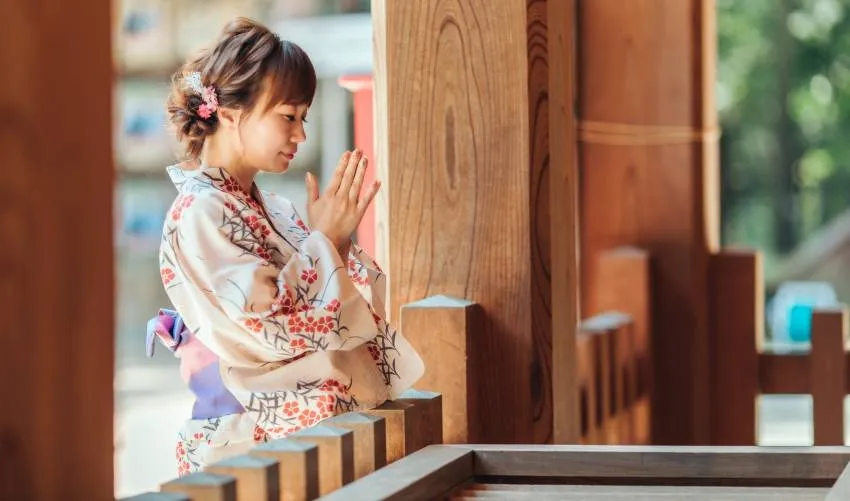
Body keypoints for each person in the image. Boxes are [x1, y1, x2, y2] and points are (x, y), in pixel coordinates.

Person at [145, 17, 424, 476]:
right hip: (250, 437)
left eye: (304, 118)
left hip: (300, 432)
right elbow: (274, 329)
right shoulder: (199, 213)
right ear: (231, 114)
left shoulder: (270, 207)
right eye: (288, 117)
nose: (300, 135)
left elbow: (348, 308)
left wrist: (333, 244)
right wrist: (327, 243)